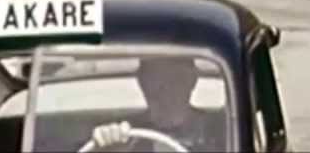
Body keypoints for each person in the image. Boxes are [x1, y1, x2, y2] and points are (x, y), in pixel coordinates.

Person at [90, 57, 223, 152]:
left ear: (191, 79)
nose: (163, 94)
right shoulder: (126, 136)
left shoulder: (221, 130)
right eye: (153, 80)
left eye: (173, 81)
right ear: (142, 83)